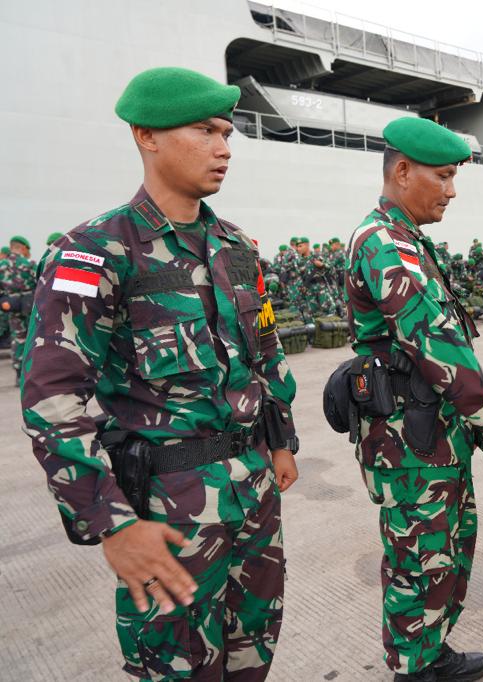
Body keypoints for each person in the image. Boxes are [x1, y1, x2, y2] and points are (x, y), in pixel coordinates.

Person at [20, 67, 299, 680]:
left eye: (228, 133)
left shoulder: (236, 247)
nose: (224, 148)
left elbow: (264, 351)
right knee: (176, 667)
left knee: (252, 655)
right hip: (167, 511)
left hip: (253, 496)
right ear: (146, 136)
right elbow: (53, 396)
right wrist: (111, 523)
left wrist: (279, 439)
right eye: (205, 130)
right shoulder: (96, 251)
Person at [344, 116, 483, 682]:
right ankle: (414, 668)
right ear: (403, 171)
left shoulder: (406, 238)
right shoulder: (385, 242)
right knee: (419, 559)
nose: (452, 191)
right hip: (408, 442)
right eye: (445, 176)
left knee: (446, 551)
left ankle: (429, 651)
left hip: (430, 431)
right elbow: (432, 344)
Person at [1, 235, 36, 379]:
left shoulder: (2, 265)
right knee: (32, 337)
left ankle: (18, 371)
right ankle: (31, 371)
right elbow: (39, 284)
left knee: (17, 338)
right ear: (23, 247)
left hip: (11, 306)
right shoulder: (29, 264)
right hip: (29, 305)